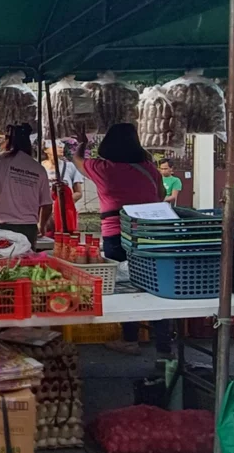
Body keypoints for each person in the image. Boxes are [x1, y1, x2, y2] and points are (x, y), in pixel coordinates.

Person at [74, 124, 168, 356]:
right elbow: (162, 195)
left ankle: (130, 339)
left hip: (115, 233)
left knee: (124, 288)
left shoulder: (102, 168)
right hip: (148, 234)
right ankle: (164, 344)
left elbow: (76, 159)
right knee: (156, 285)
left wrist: (83, 141)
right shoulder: (148, 168)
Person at [42, 140, 84, 237]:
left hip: (64, 216)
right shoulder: (38, 167)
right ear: (45, 150)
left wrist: (60, 205)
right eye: (56, 145)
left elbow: (78, 193)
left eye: (61, 145)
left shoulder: (70, 167)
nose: (61, 147)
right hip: (44, 217)